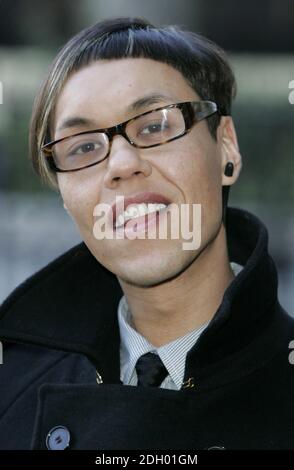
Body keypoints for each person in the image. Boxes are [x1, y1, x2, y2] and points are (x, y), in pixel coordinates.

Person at [0, 16, 293, 451]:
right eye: (83, 147)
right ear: (63, 194)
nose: (120, 164)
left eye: (154, 125)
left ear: (226, 147)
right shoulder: (12, 390)